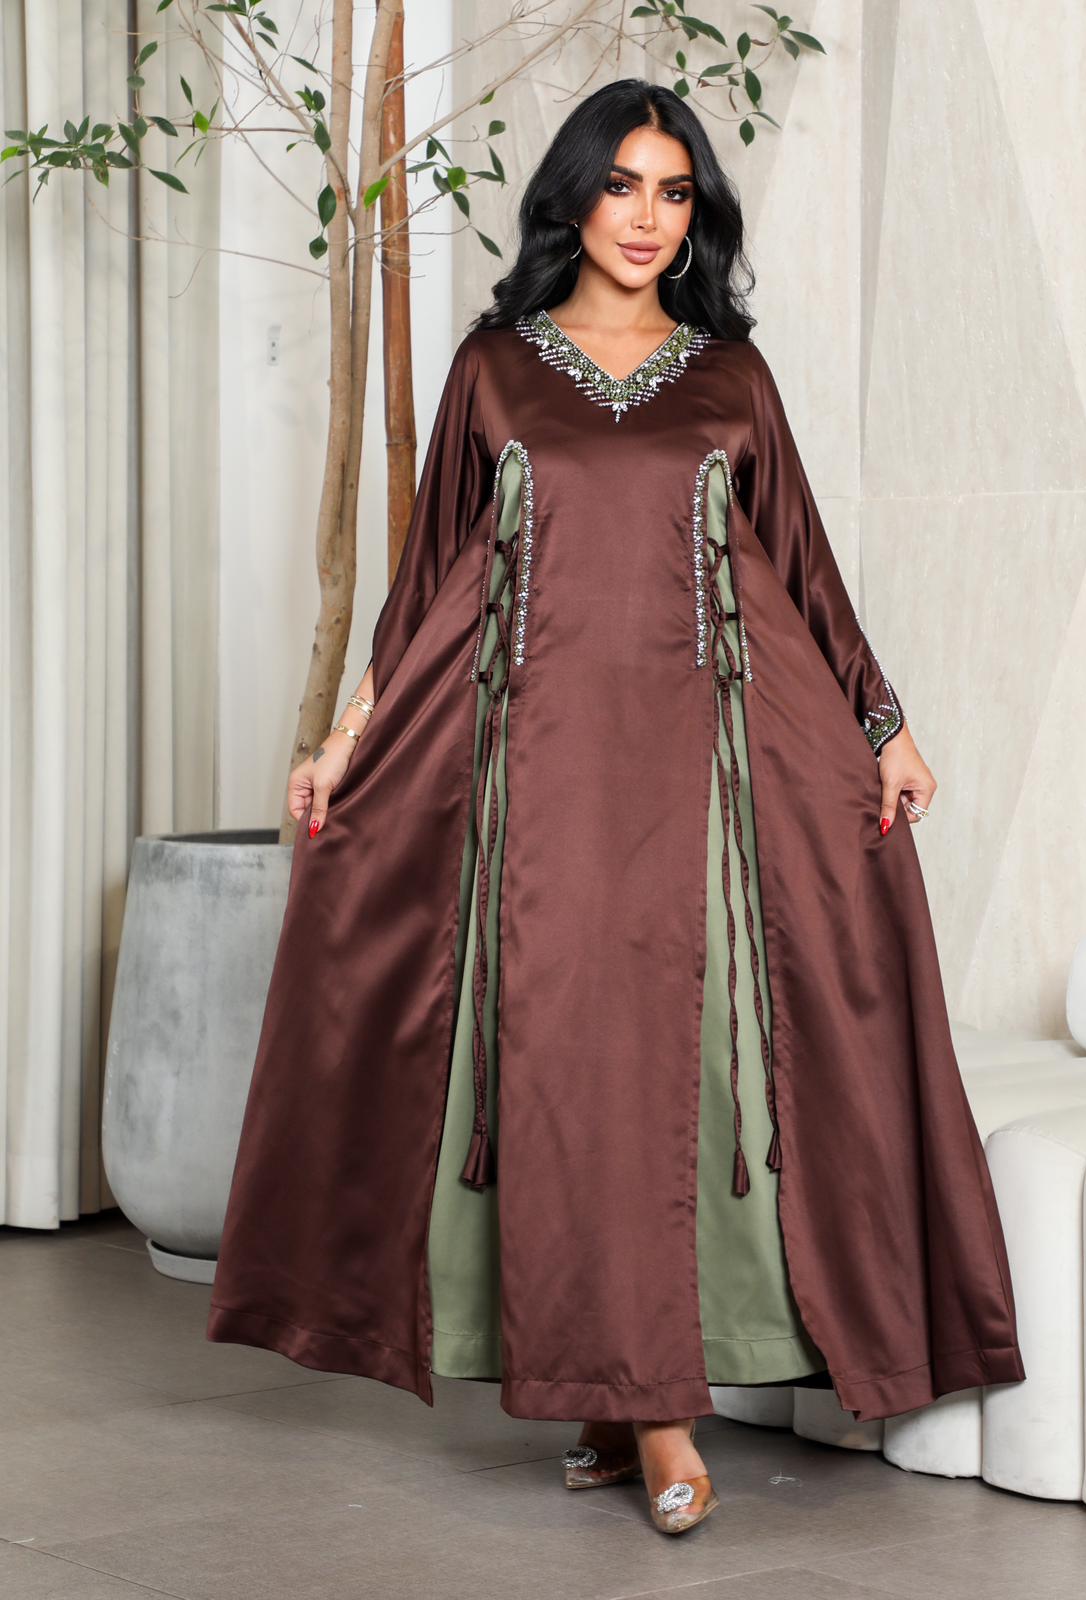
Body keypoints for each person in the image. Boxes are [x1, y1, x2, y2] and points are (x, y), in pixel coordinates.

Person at [207, 77, 1026, 1537]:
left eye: (674, 192)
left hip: (702, 780)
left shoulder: (730, 379)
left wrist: (884, 727)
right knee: (565, 1067)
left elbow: (802, 567)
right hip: (536, 780)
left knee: (670, 1075)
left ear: (695, 215)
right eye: (622, 185)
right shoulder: (495, 371)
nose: (648, 217)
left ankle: (637, 1404)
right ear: (572, 200)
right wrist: (348, 738)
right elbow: (428, 576)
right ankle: (632, 1402)